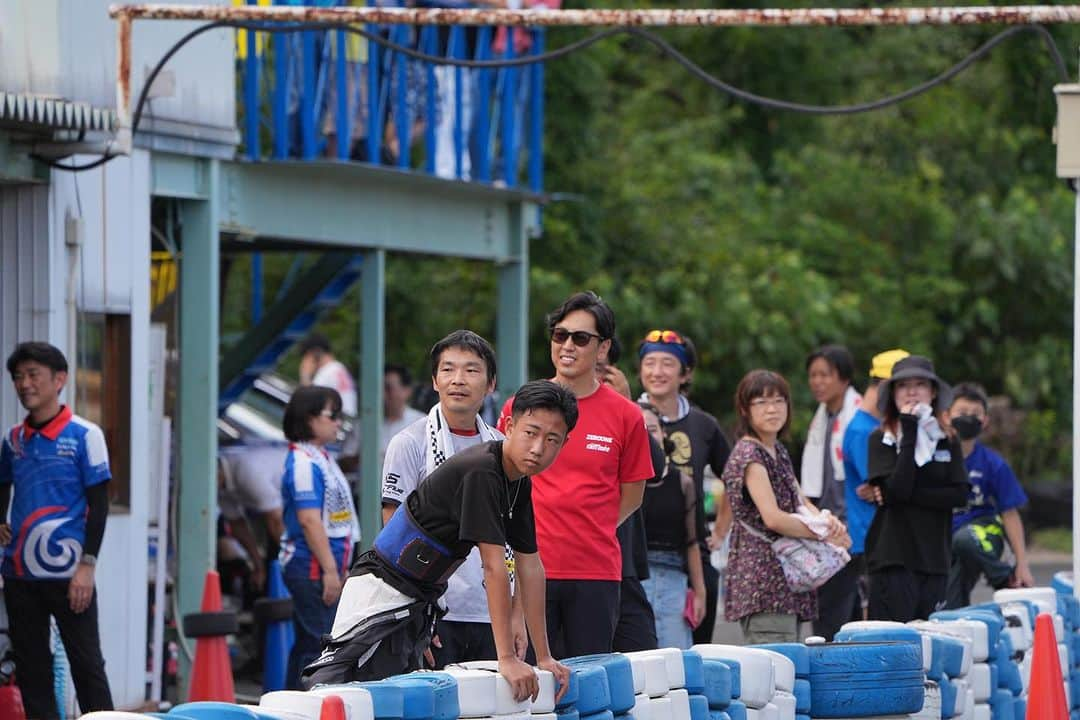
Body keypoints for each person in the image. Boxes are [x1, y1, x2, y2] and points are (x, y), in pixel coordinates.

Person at [304, 381, 575, 703]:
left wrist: (543, 656)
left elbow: (530, 565)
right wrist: (507, 659)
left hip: (423, 596)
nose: (538, 448)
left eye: (552, 439)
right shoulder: (483, 471)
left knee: (404, 702)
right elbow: (493, 566)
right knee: (347, 691)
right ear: (510, 426)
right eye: (531, 433)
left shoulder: (518, 482)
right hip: (382, 590)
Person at [498, 292, 653, 657]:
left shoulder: (626, 415)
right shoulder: (520, 406)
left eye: (580, 338)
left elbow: (633, 494)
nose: (567, 345)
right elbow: (501, 481)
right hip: (529, 568)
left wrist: (590, 524)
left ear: (603, 349)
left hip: (596, 572)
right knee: (533, 692)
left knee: (589, 686)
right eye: (559, 335)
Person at [380, 330, 508, 666]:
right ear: (435, 381)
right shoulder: (409, 443)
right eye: (448, 370)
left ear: (491, 383)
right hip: (435, 611)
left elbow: (517, 535)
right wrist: (414, 616)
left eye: (471, 370)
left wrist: (516, 616)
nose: (458, 380)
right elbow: (394, 536)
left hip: (490, 612)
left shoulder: (502, 447)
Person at [0, 342, 113, 718]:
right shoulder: (12, 439)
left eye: (33, 375)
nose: (24, 384)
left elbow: (99, 505)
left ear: (59, 379)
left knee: (87, 666)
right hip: (19, 575)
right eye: (18, 377)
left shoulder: (85, 435)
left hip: (69, 575)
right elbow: (3, 493)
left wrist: (87, 565)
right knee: (31, 668)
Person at [723, 369, 847, 644]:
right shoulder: (749, 454)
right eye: (761, 402)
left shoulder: (776, 449)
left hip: (786, 578)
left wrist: (827, 522)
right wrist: (822, 533)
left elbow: (800, 500)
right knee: (774, 673)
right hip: (764, 583)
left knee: (788, 672)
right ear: (745, 409)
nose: (772, 409)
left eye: (779, 401)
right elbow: (773, 518)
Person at [637, 328, 730, 644]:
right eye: (650, 363)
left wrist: (720, 530)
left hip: (690, 546)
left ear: (685, 372)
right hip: (636, 548)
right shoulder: (626, 415)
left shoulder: (704, 425)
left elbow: (733, 476)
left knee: (695, 645)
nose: (657, 372)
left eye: (667, 364)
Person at [865, 356, 969, 622]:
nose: (912, 391)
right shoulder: (882, 438)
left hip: (934, 557)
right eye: (903, 386)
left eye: (920, 384)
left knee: (931, 641)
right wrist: (909, 431)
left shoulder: (947, 438)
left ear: (933, 392)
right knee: (899, 643)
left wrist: (909, 494)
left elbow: (959, 495)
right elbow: (897, 491)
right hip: (894, 557)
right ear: (893, 394)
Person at [279, 385, 361, 689]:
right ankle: (304, 706)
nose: (338, 422)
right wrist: (329, 570)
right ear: (309, 419)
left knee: (309, 643)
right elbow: (310, 520)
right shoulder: (303, 462)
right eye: (332, 415)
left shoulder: (319, 457)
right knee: (318, 646)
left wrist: (339, 568)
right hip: (311, 567)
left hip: (324, 566)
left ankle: (290, 704)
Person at [944, 382, 1033, 608]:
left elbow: (1010, 513)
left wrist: (1022, 563)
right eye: (962, 413)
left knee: (964, 539)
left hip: (982, 531)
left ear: (985, 421)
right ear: (947, 416)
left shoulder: (994, 464)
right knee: (949, 604)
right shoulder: (936, 457)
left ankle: (1004, 578)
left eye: (975, 414)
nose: (968, 418)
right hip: (946, 542)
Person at [840, 349, 910, 623]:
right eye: (901, 387)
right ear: (884, 387)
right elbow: (884, 485)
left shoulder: (876, 425)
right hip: (872, 539)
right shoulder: (863, 430)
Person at [802, 344, 862, 640]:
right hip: (824, 525)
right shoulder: (822, 417)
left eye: (825, 375)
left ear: (844, 378)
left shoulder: (858, 417)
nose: (817, 382)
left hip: (848, 525)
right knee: (835, 610)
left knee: (834, 612)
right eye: (813, 375)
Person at [638, 401, 705, 649]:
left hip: (674, 580)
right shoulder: (626, 482)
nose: (647, 436)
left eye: (652, 429)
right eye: (640, 429)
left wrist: (699, 591)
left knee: (676, 660)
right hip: (637, 578)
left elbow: (692, 542)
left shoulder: (683, 482)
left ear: (663, 434)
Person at [299, 333, 358, 417]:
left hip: (336, 422)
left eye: (306, 356)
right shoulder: (339, 368)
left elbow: (308, 403)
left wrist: (305, 375)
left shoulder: (325, 374)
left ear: (314, 354)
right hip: (347, 421)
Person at [383, 364, 426, 455]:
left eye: (388, 388)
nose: (382, 394)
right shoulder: (364, 424)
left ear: (406, 391)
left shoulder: (423, 424)